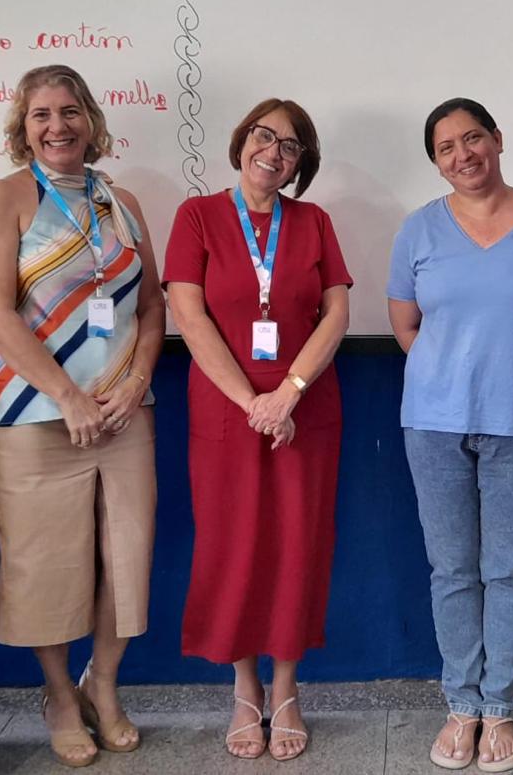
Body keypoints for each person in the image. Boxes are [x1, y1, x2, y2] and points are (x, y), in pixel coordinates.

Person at [0, 65, 164, 768]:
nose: (59, 126)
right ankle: (56, 692)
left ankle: (101, 685)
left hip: (123, 414)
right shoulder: (2, 198)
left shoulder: (124, 200)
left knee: (127, 558)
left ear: (91, 118)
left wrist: (137, 379)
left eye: (70, 110)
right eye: (43, 114)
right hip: (32, 417)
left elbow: (150, 307)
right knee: (45, 564)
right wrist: (69, 397)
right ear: (23, 127)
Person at [387, 98, 513, 773]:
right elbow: (406, 325)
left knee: (509, 569)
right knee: (452, 569)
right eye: (445, 147)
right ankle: (460, 706)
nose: (462, 154)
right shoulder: (418, 230)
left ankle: (500, 705)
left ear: (497, 139)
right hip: (435, 423)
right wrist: (453, 376)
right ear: (436, 161)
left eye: (472, 137)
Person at [163, 98, 351, 762]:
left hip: (306, 411)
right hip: (225, 411)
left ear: (302, 163)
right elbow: (189, 315)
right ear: (242, 141)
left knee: (298, 544)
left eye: (292, 145)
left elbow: (336, 313)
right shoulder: (198, 216)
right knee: (232, 545)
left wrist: (288, 394)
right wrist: (253, 400)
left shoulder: (315, 221)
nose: (275, 151)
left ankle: (288, 688)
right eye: (265, 136)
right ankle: (244, 689)